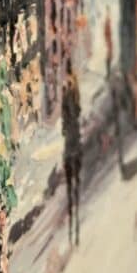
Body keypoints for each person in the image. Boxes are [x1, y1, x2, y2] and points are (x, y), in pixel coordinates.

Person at [61, 59, 82, 245]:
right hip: (74, 141)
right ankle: (74, 231)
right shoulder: (74, 95)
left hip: (71, 142)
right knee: (74, 183)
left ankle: (73, 231)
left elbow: (67, 120)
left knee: (71, 183)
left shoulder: (69, 95)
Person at [104, 6, 113, 79]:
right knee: (108, 56)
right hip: (108, 40)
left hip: (109, 40)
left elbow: (107, 32)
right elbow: (106, 32)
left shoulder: (108, 20)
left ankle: (108, 73)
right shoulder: (107, 20)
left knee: (109, 56)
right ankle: (108, 73)